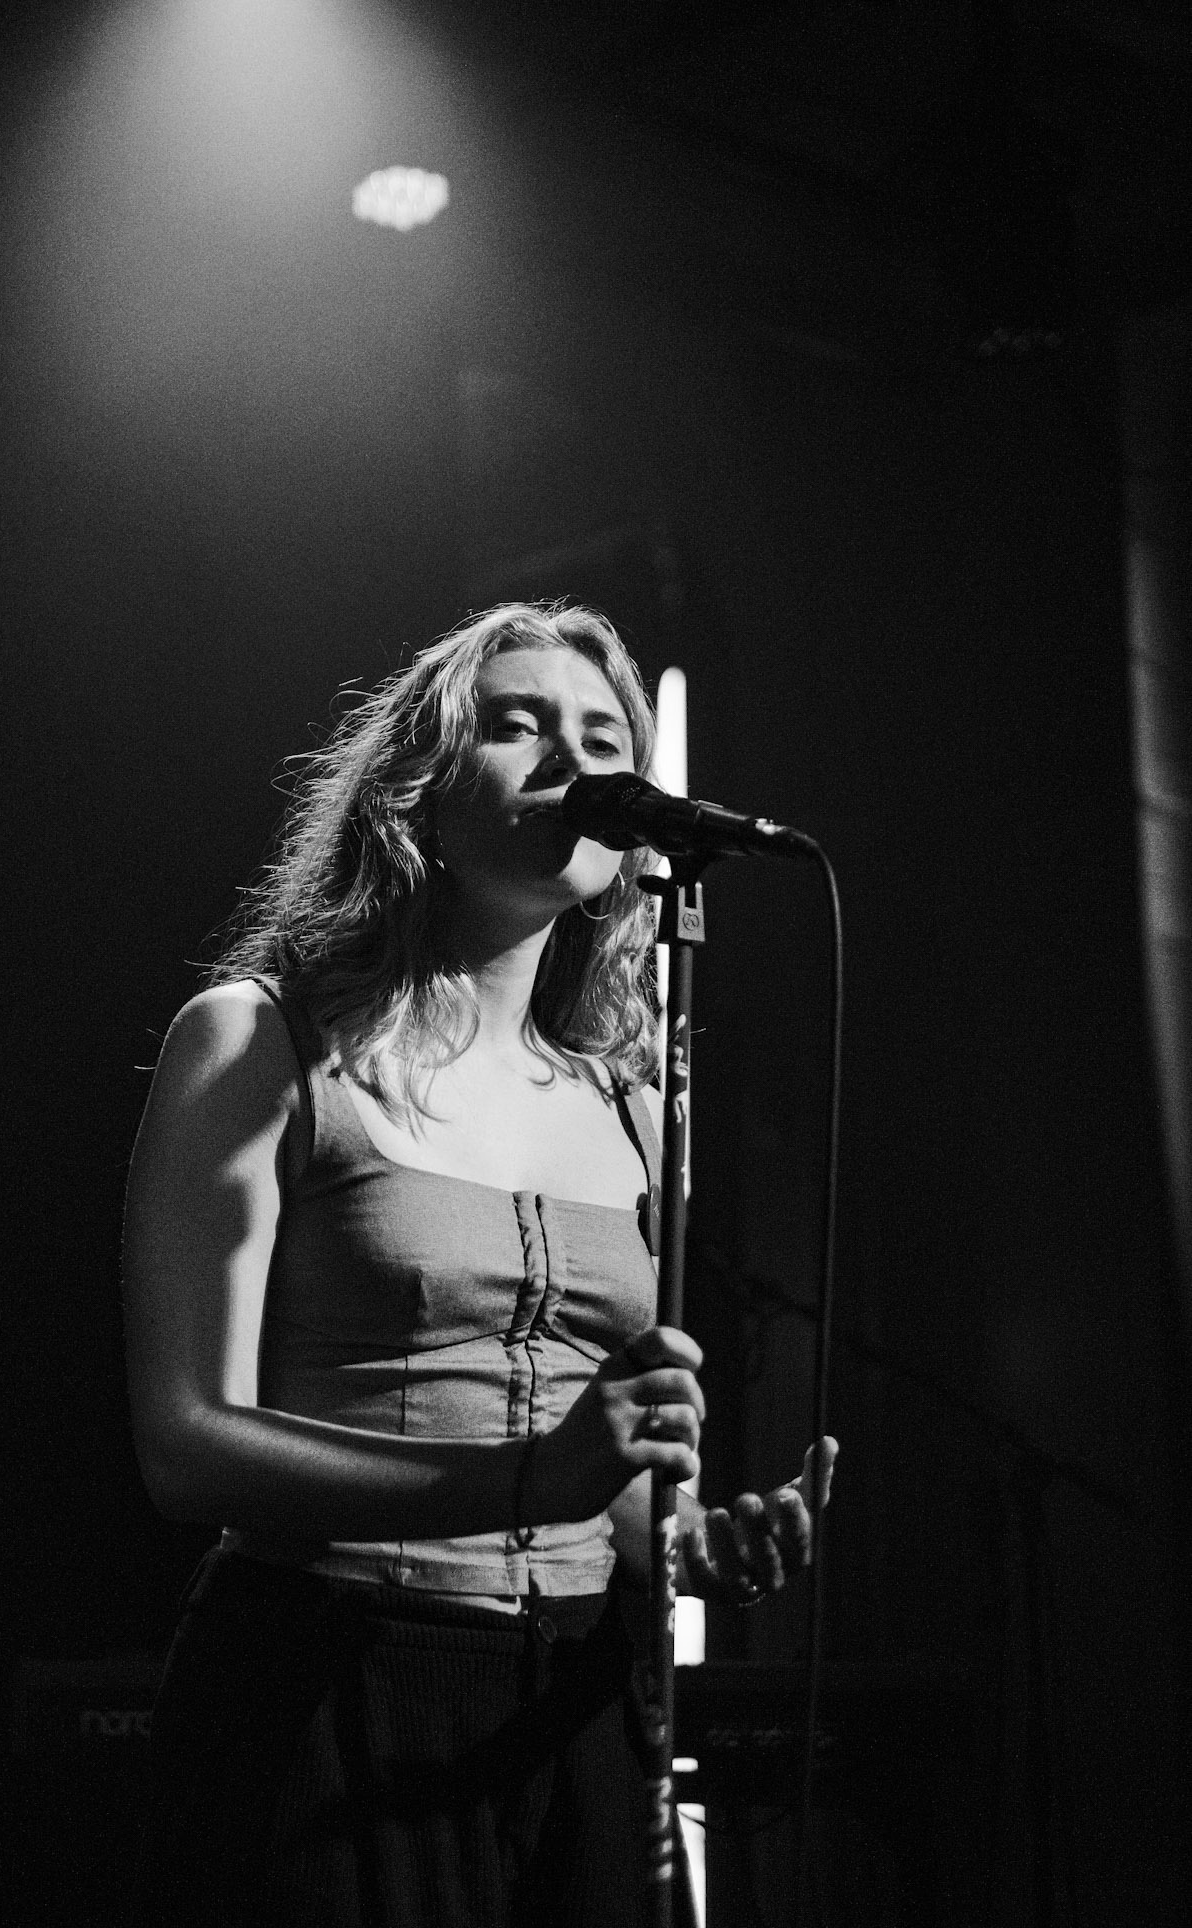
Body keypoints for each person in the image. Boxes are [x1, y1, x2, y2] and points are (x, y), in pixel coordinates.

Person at [122, 600, 836, 1927]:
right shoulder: (260, 1042)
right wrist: (528, 1479)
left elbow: (602, 1481)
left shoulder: (632, 1107)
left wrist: (681, 1542)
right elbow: (185, 1446)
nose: (574, 761)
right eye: (517, 725)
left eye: (605, 739)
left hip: (574, 1699)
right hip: (331, 1673)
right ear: (417, 792)